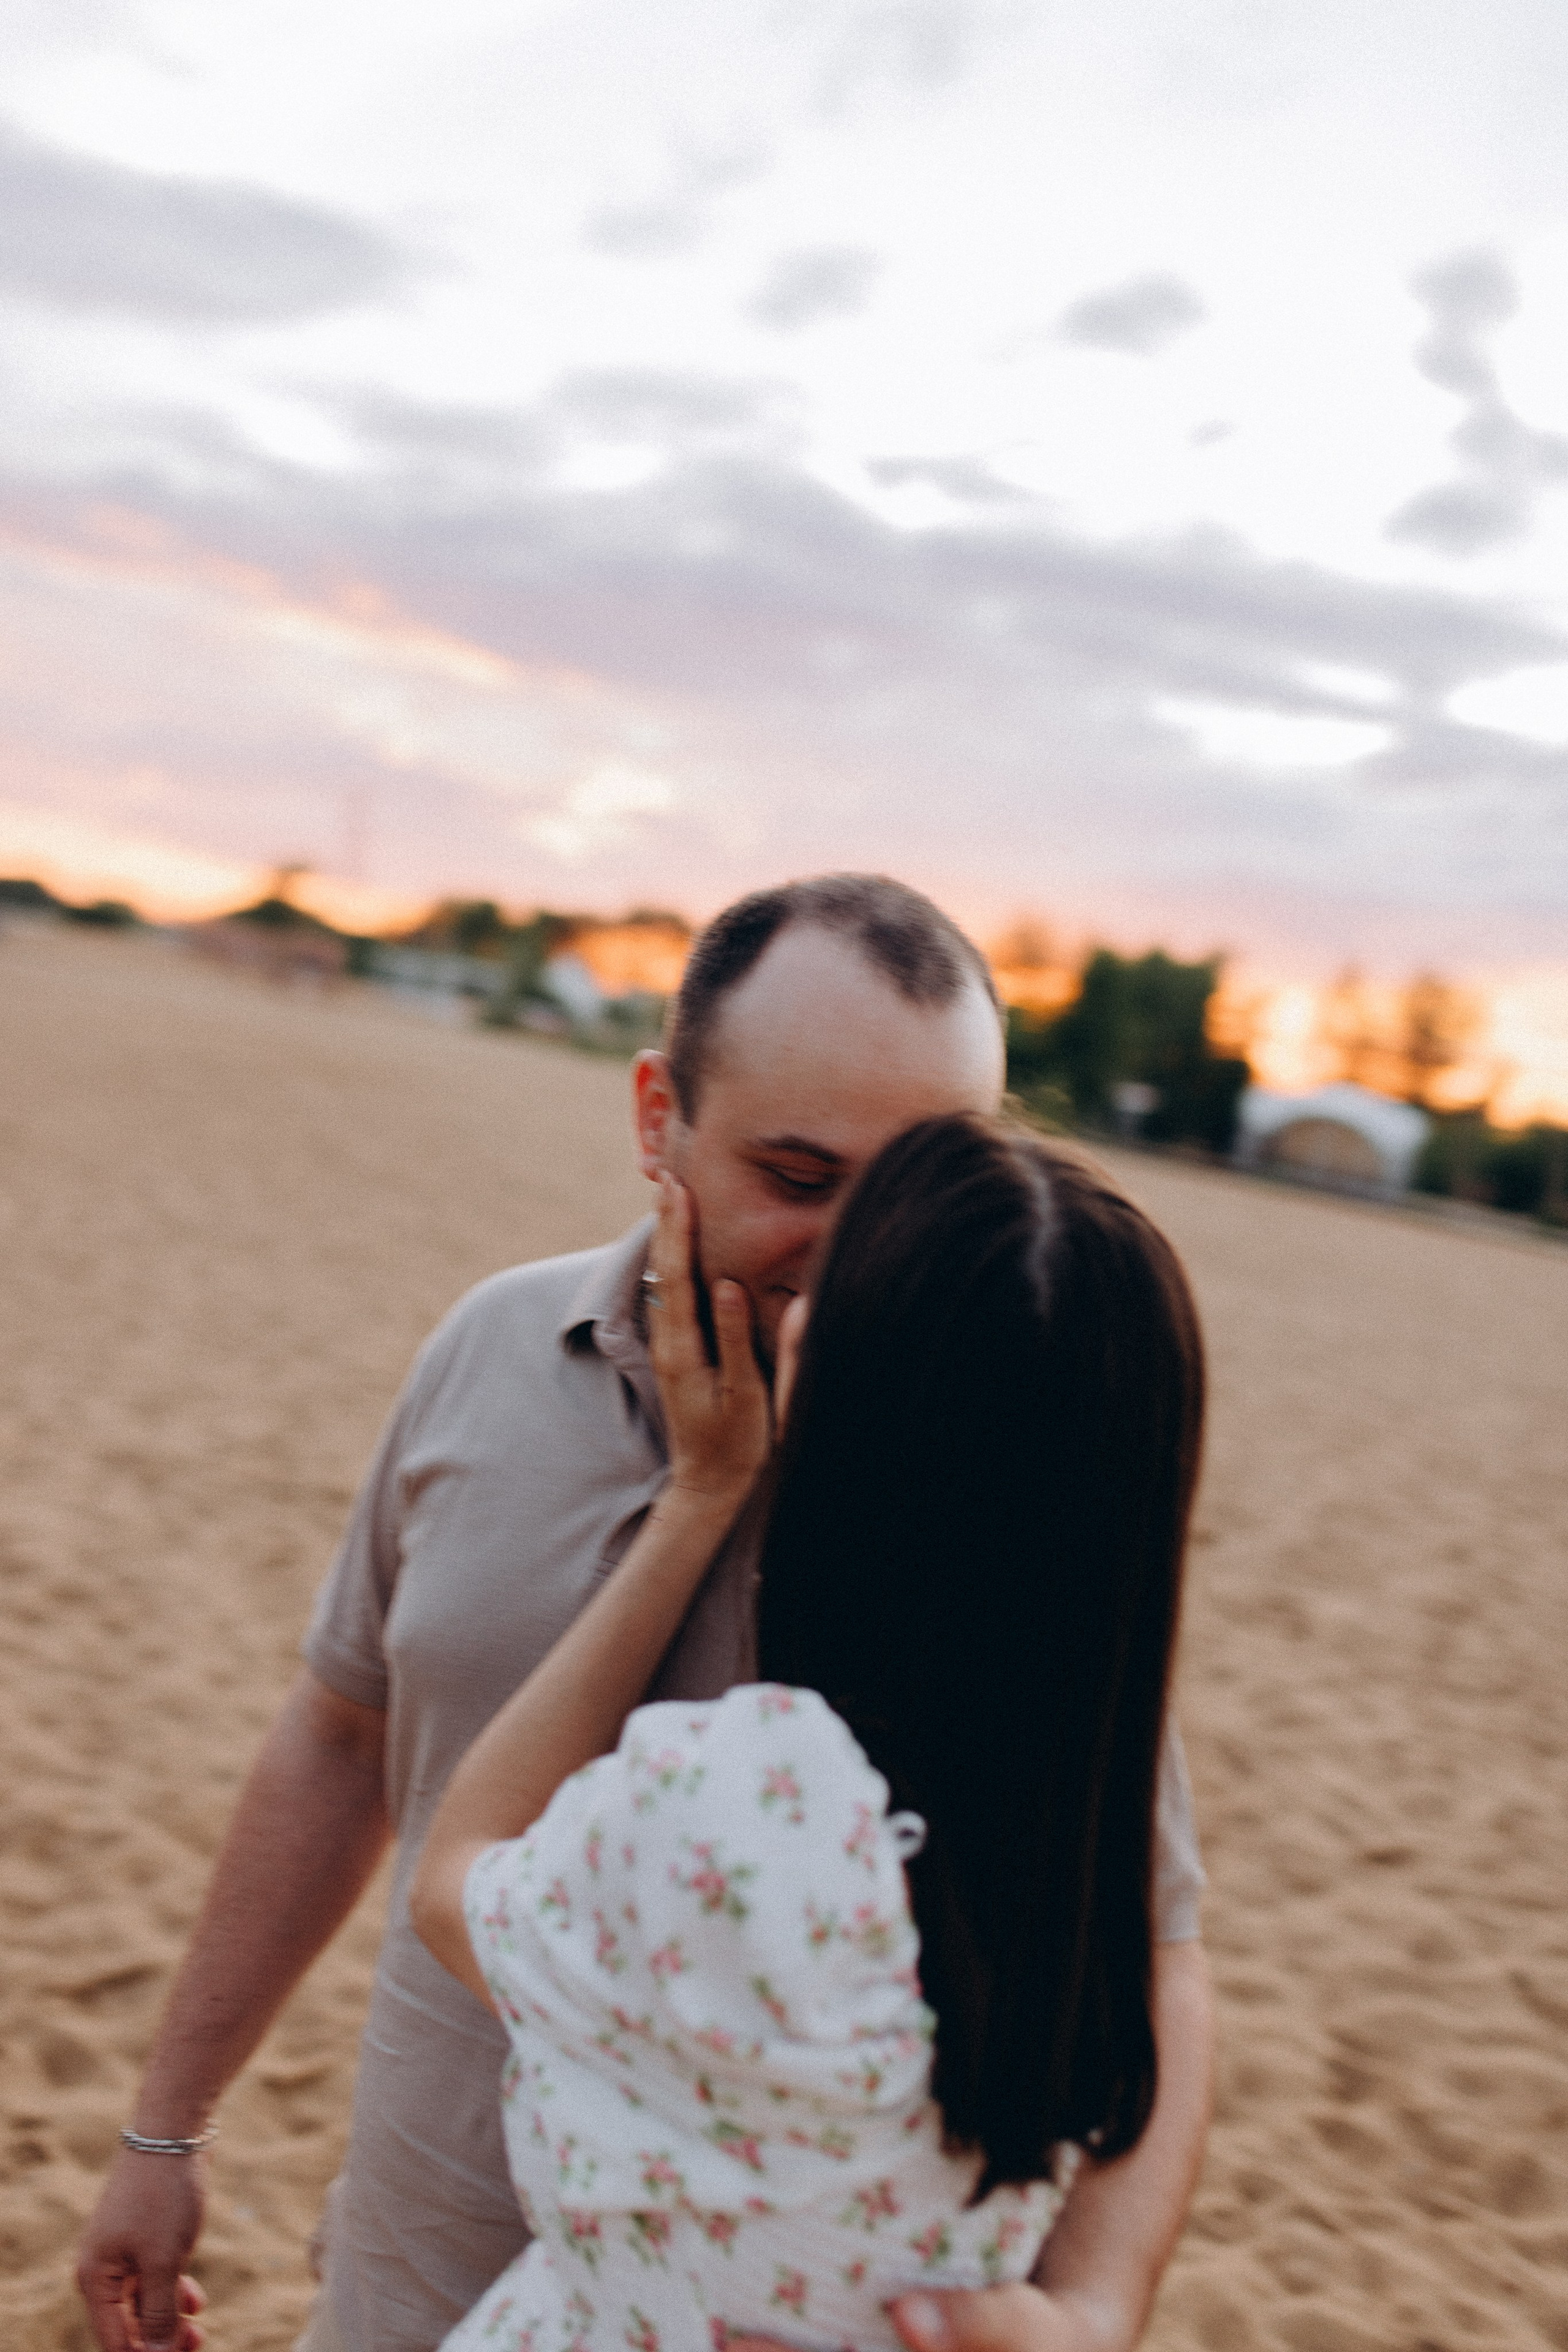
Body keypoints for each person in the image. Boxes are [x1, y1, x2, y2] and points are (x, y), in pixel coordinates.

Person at [77, 876, 1213, 2352]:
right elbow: (341, 1741)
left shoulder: (985, 1477)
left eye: (912, 1190)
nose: (855, 1254)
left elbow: (1143, 1938)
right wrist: (166, 2130)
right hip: (408, 2279)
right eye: (799, 1178)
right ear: (656, 1116)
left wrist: (1095, 2308)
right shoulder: (493, 1345)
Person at [408, 1115, 1205, 2351]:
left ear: (840, 1397)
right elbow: (1174, 1962)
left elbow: (454, 1880)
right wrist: (1095, 2312)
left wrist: (701, 1495)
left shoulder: (744, 1807)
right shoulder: (1070, 1838)